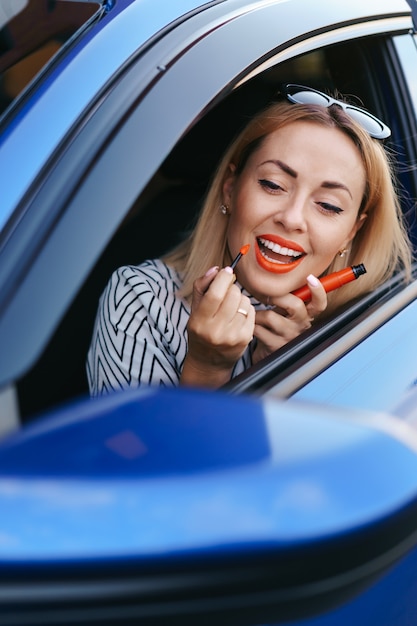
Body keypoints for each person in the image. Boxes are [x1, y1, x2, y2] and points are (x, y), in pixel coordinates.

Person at [86, 83, 412, 395]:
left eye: (328, 205)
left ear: (352, 231)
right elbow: (142, 453)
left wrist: (295, 368)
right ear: (231, 188)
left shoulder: (369, 329)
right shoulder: (142, 300)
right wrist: (206, 369)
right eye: (272, 184)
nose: (292, 217)